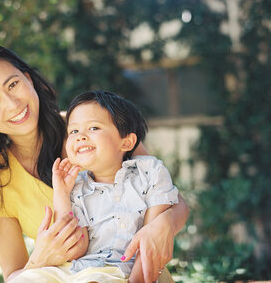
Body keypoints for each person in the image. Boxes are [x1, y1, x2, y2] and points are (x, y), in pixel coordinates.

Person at [0, 42, 189, 283]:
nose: (13, 104)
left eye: (12, 85)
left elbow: (170, 197)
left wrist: (162, 225)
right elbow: (14, 276)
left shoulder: (92, 126)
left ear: (28, 78)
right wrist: (40, 259)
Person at [50, 90, 179, 282]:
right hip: (84, 270)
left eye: (93, 128)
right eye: (74, 131)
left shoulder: (150, 172)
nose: (80, 136)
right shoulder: (76, 187)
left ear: (126, 142)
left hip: (133, 270)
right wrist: (61, 193)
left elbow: (152, 236)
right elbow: (75, 250)